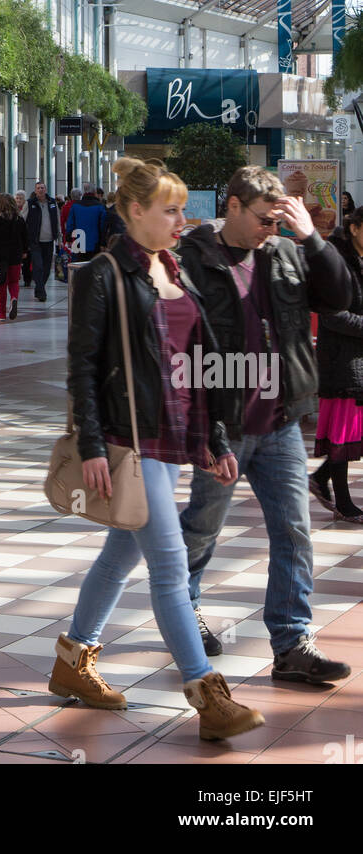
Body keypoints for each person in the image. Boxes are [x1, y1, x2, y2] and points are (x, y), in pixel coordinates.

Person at [51, 157, 264, 742]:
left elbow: (196, 361)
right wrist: (92, 445)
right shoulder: (104, 274)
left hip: (171, 443)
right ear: (135, 211)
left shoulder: (173, 266)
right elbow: (83, 368)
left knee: (121, 554)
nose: (181, 219)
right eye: (170, 209)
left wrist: (214, 438)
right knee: (169, 569)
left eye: (182, 208)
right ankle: (208, 696)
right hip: (128, 444)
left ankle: (73, 664)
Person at [178, 165, 352, 683]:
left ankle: (292, 642)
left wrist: (311, 236)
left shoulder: (285, 252)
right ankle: (182, 612)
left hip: (278, 422)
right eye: (262, 219)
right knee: (202, 528)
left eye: (277, 222)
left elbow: (340, 296)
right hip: (223, 425)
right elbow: (179, 345)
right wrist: (201, 429)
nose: (268, 230)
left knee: (294, 531)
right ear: (231, 206)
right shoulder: (194, 258)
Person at [309, 206, 363, 523]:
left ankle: (319, 478)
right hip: (341, 359)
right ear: (355, 228)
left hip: (357, 356)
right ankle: (343, 502)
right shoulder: (336, 260)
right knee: (343, 434)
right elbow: (331, 314)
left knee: (352, 432)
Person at [0, 193, 29, 321]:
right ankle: (14, 298)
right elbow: (25, 236)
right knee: (14, 281)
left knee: (1, 284)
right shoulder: (18, 218)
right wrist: (25, 251)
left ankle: (2, 314)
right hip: (15, 255)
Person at [25, 181, 60, 302]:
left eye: (42, 188)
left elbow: (57, 219)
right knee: (38, 266)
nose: (40, 190)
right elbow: (22, 219)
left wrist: (59, 237)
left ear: (46, 189)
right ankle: (41, 292)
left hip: (49, 240)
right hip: (35, 240)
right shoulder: (30, 204)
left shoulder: (52, 203)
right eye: (38, 188)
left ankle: (40, 287)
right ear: (35, 191)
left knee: (46, 268)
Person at [66, 182, 108, 262]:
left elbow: (70, 224)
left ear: (84, 192)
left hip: (78, 242)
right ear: (94, 192)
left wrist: (68, 238)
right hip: (95, 243)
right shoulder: (100, 207)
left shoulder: (75, 206)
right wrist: (103, 243)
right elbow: (103, 227)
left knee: (79, 267)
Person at [14, 190, 31, 287]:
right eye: (17, 198)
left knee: (27, 259)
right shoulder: (13, 209)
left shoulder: (28, 208)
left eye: (20, 198)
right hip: (15, 237)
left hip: (25, 237)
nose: (18, 200)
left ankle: (27, 278)